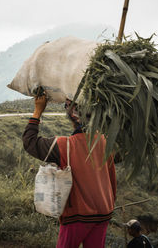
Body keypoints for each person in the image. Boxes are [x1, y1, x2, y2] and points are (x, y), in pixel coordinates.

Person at [22, 95, 116, 248]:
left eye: (66, 105)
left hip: (78, 216)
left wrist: (38, 110)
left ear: (72, 114)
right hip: (104, 213)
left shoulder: (64, 146)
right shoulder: (105, 142)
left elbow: (30, 142)